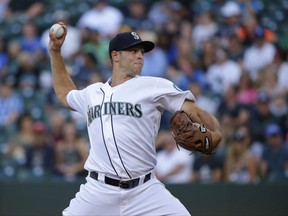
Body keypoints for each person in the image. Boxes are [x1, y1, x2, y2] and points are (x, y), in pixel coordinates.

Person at [49, 23, 222, 216]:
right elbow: (65, 94)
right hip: (98, 191)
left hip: (145, 190)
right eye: (132, 51)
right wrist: (55, 52)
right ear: (115, 56)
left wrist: (216, 132)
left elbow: (195, 110)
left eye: (141, 51)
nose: (140, 55)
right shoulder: (92, 93)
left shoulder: (154, 86)